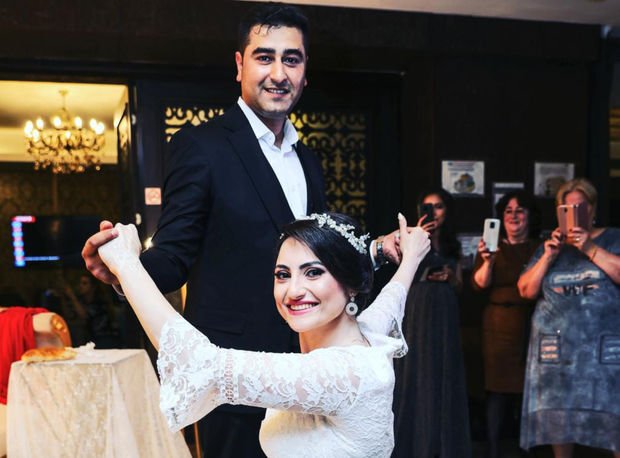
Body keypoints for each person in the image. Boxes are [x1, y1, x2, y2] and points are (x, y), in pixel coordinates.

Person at [82, 3, 399, 456]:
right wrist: (123, 272)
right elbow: (173, 254)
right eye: (264, 57)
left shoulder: (308, 159)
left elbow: (317, 259)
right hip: (235, 370)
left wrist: (376, 250)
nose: (278, 73)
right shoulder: (201, 146)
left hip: (309, 368)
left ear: (305, 71)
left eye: (291, 59)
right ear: (239, 65)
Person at [97, 212, 430, 457]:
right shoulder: (366, 334)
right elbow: (393, 299)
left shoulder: (344, 373)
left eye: (313, 273)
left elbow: (199, 363)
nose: (293, 291)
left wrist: (126, 264)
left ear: (352, 284)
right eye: (283, 275)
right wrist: (411, 257)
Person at [517, 178, 620, 458]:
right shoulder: (550, 246)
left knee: (614, 415)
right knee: (559, 418)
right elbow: (526, 290)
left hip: (603, 354)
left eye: (580, 207)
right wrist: (548, 257)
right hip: (558, 354)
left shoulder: (613, 238)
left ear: (593, 209)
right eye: (567, 208)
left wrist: (589, 248)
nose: (574, 213)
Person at [392, 188, 471, 458]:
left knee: (444, 369)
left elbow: (460, 285)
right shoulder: (410, 238)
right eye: (428, 207)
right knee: (417, 368)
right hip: (418, 308)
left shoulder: (452, 244)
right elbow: (400, 275)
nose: (434, 212)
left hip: (445, 309)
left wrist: (450, 275)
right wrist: (417, 240)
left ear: (446, 211)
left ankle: (441, 444)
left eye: (439, 206)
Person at [471, 191, 541, 458]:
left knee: (528, 391)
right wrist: (488, 262)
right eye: (508, 211)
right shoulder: (492, 248)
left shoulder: (539, 247)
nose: (514, 216)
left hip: (531, 324)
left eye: (520, 210)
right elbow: (479, 284)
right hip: (498, 327)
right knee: (496, 389)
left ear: (529, 216)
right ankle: (493, 450)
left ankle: (527, 450)